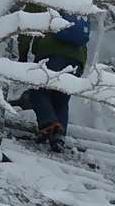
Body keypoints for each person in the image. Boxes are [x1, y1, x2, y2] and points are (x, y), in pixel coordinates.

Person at [15, 10, 93, 150]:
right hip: (77, 59)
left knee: (38, 90)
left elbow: (27, 31)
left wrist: (23, 55)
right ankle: (58, 136)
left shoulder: (48, 5)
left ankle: (49, 125)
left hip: (51, 54)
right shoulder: (80, 8)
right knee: (61, 97)